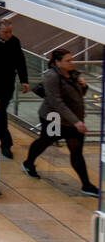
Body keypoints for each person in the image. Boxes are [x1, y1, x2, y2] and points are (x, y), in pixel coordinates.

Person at [23, 48, 98, 194]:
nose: (72, 63)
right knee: (45, 141)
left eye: (71, 60)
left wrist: (84, 86)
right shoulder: (52, 77)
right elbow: (56, 102)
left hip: (72, 120)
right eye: (68, 60)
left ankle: (86, 185)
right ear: (57, 62)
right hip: (54, 118)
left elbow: (78, 96)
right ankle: (28, 163)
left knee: (76, 151)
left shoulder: (73, 74)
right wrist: (76, 122)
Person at [0, 18, 29, 159]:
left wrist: (24, 80)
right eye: (5, 32)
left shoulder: (14, 42)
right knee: (0, 110)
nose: (8, 35)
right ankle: (6, 144)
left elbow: (20, 61)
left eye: (10, 32)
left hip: (8, 82)